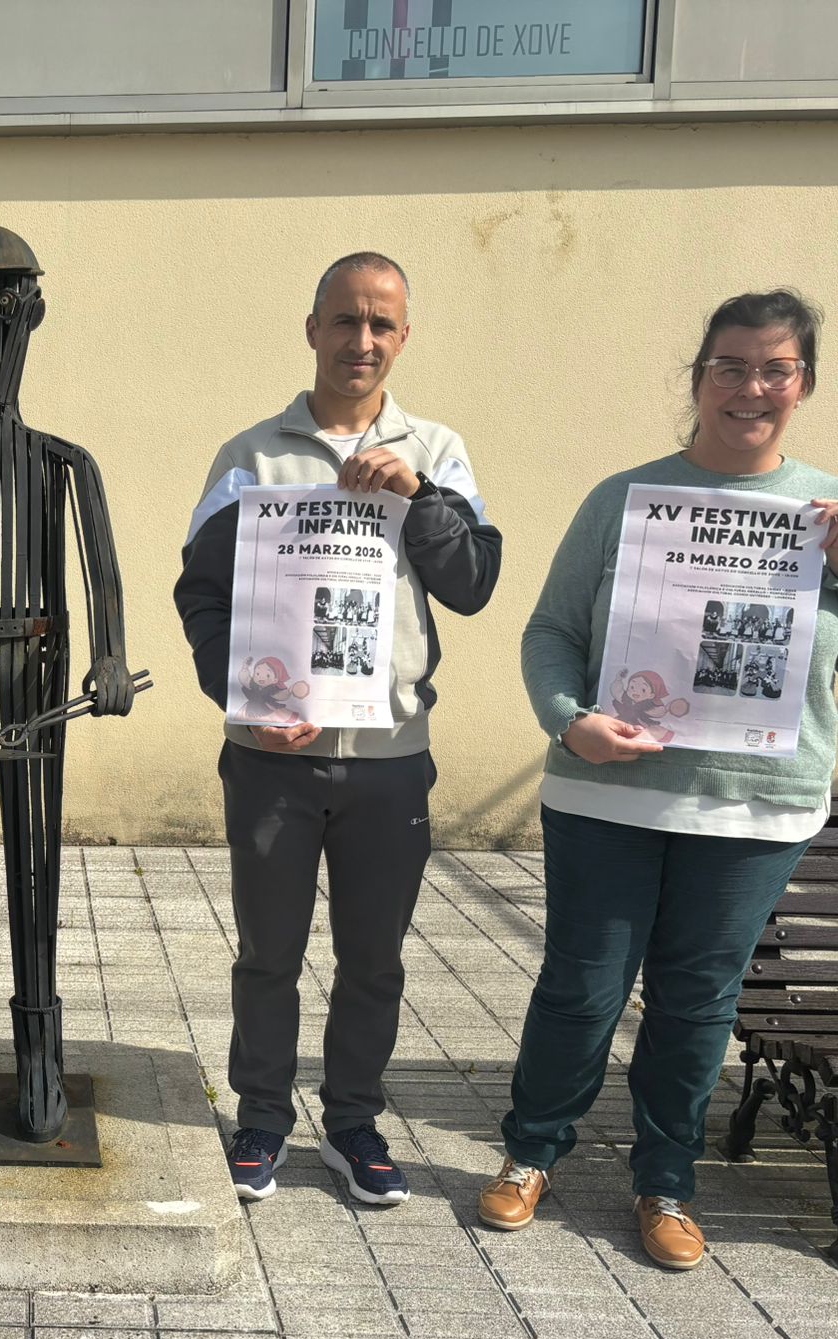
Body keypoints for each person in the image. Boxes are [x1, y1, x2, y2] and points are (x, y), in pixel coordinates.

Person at [479, 290, 838, 1269]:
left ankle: (662, 1181)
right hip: (604, 796)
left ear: (801, 385)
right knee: (581, 990)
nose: (750, 387)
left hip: (753, 808)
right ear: (697, 378)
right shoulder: (623, 501)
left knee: (695, 1003)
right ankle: (528, 1154)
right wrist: (569, 721)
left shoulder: (832, 513)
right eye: (729, 366)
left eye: (774, 369)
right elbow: (550, 632)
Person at [175, 251, 501, 1205]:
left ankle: (354, 1123)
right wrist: (241, 698)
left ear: (403, 339)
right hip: (273, 759)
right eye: (346, 320)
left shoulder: (436, 451)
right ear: (312, 328)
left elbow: (473, 584)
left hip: (391, 759)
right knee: (268, 954)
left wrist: (418, 500)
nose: (362, 341)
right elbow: (201, 596)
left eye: (382, 325)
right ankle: (262, 1119)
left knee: (374, 960)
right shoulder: (251, 457)